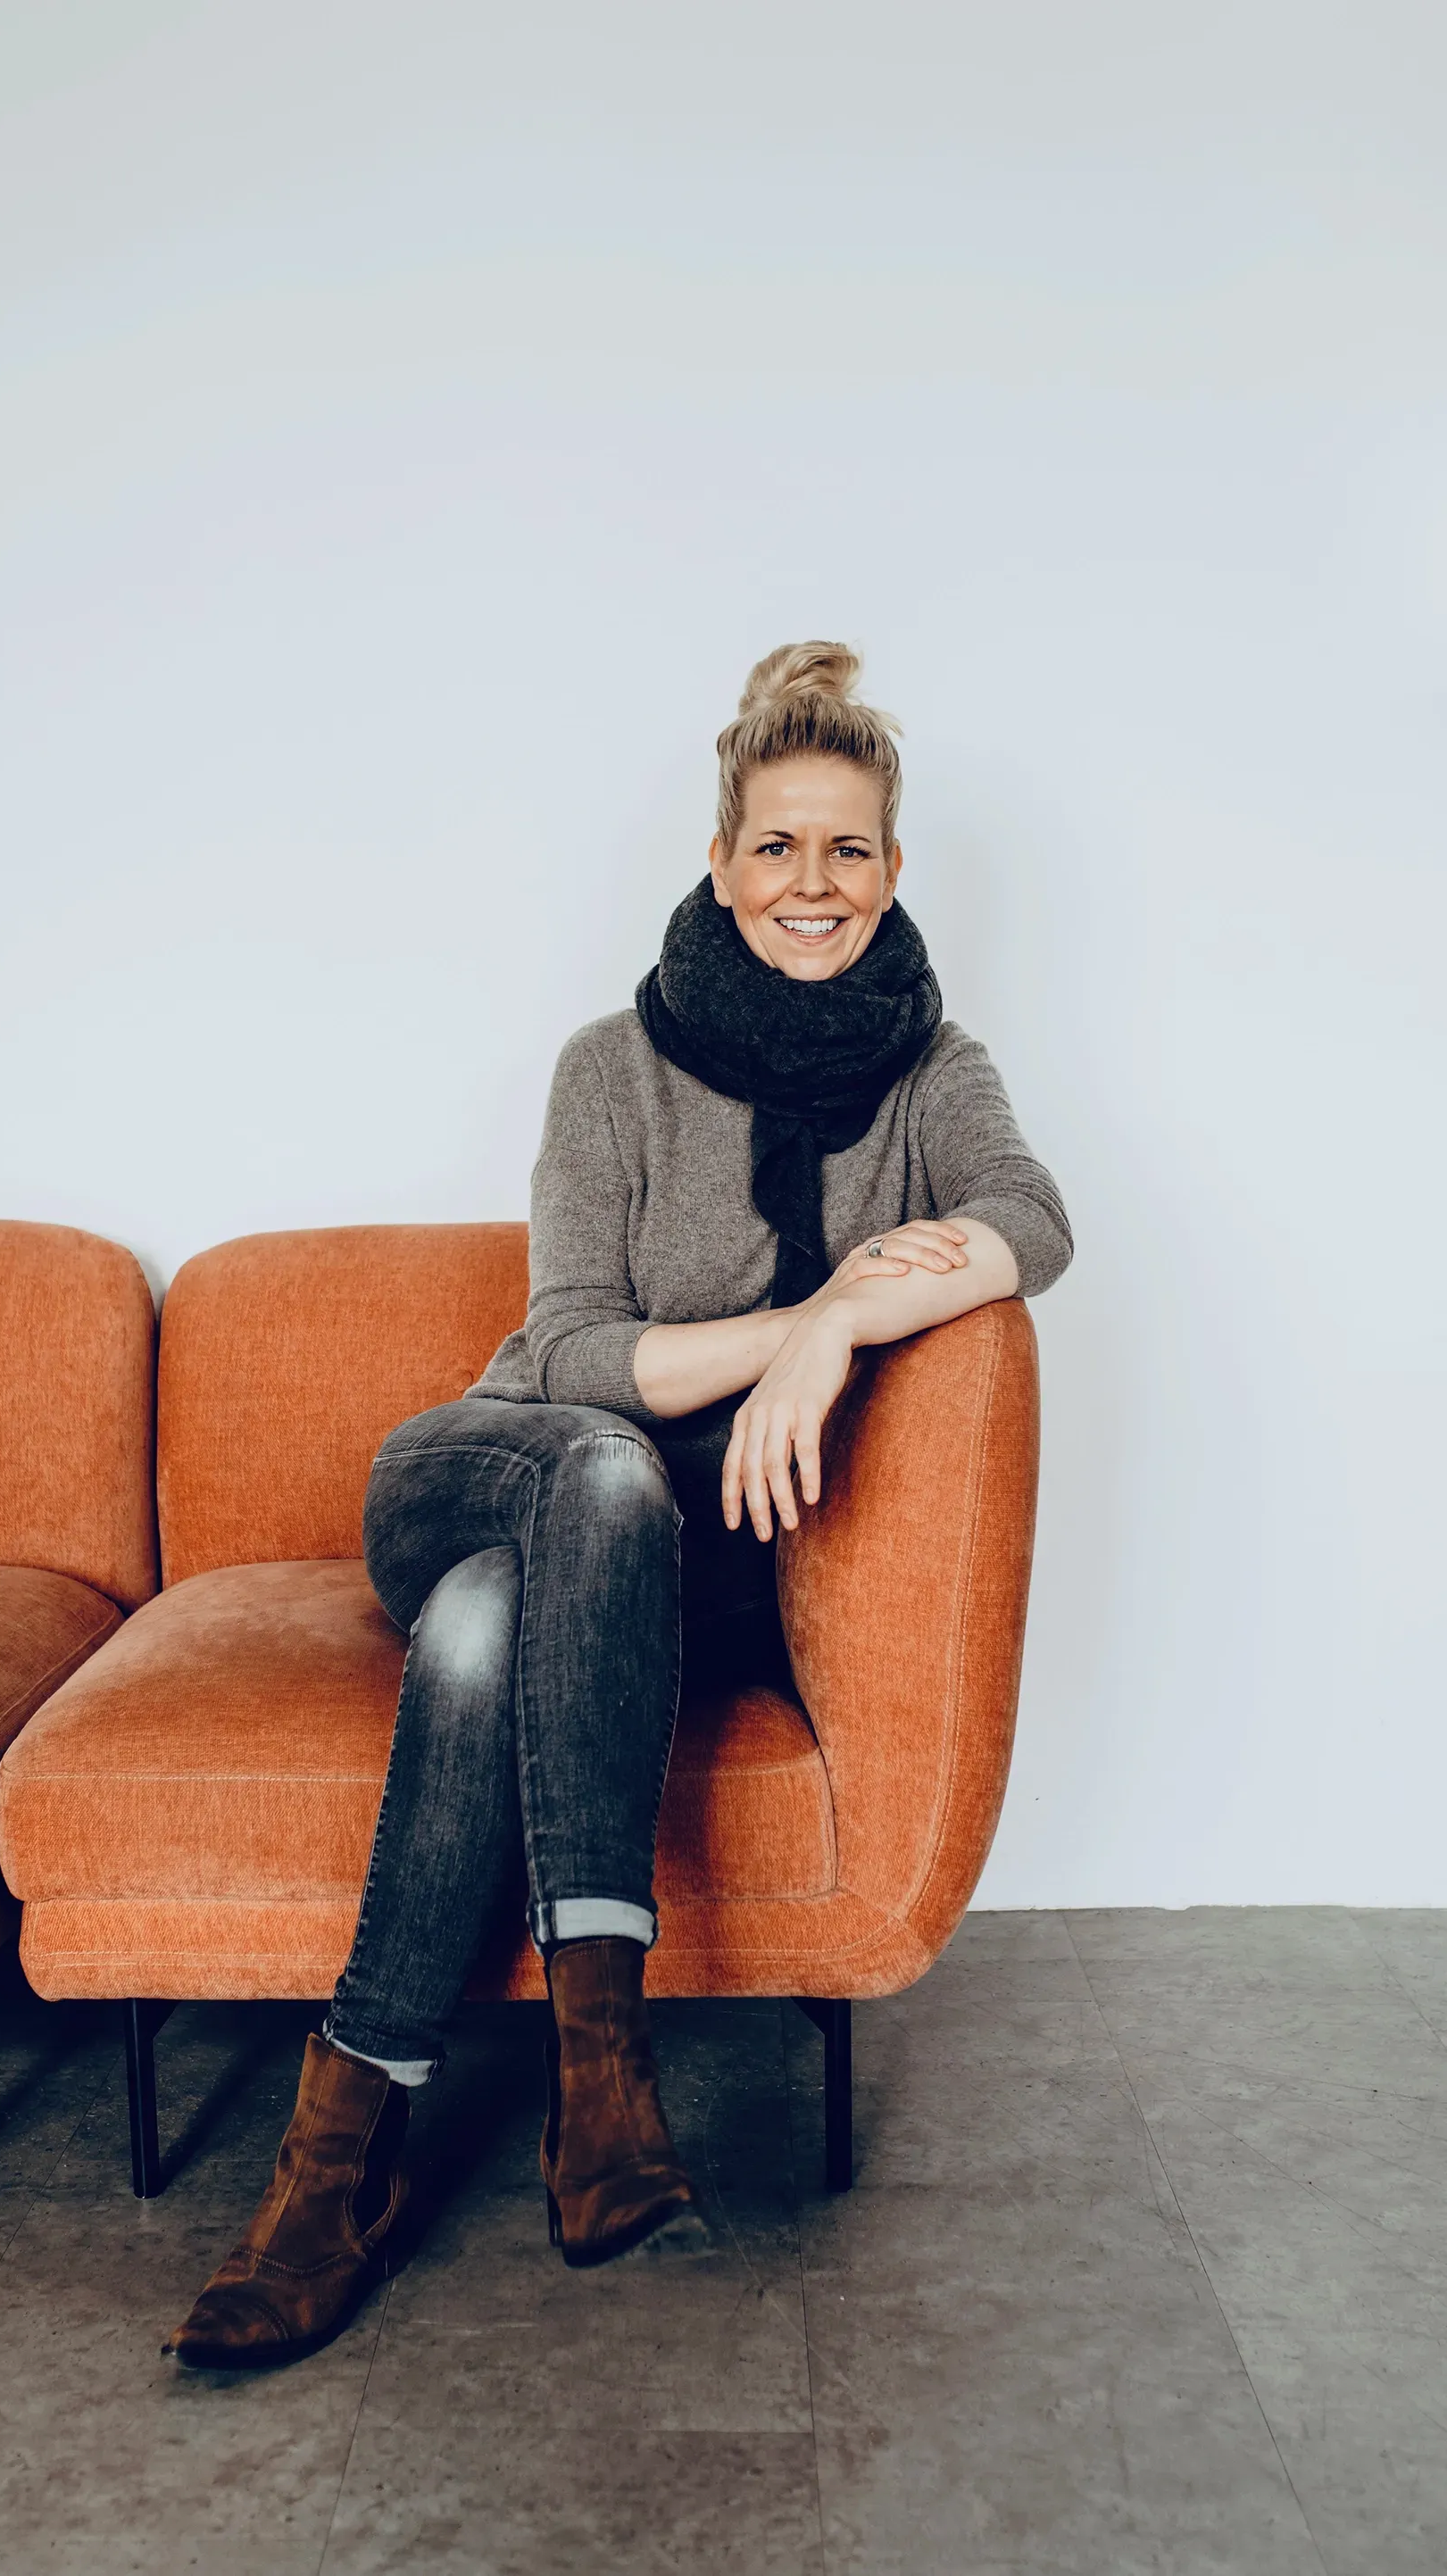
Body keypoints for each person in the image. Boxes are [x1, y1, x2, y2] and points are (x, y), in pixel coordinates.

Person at [166, 642, 1073, 2369]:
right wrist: (808, 1333)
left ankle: (337, 2152)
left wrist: (842, 1331)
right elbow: (576, 1350)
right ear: (723, 860)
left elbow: (1032, 1218)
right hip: (483, 1463)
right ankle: (605, 2085)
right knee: (583, 1473)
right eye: (781, 846)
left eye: (852, 850)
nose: (815, 884)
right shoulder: (611, 1066)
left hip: (647, 1566)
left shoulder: (933, 1073)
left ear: (894, 873)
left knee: (494, 1631)